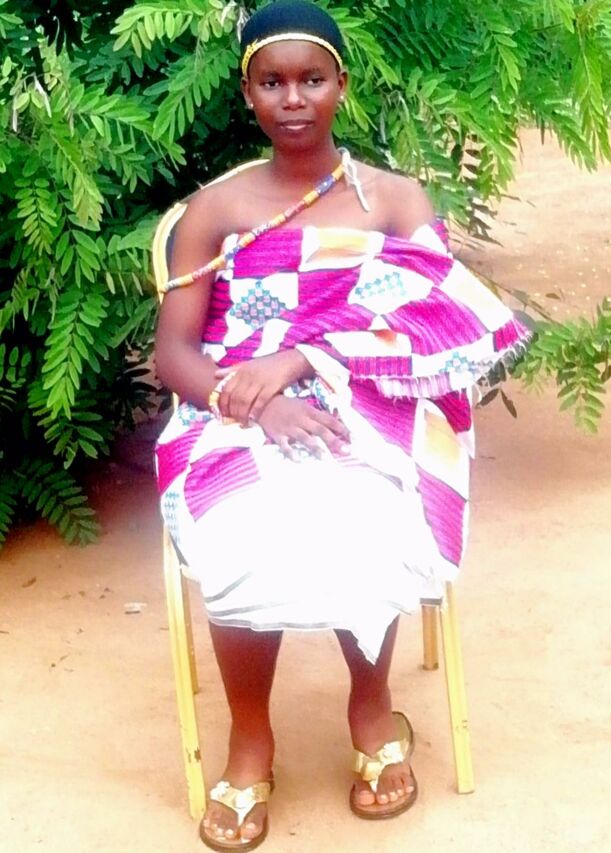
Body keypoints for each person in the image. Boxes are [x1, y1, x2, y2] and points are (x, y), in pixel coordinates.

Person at [154, 2, 529, 849]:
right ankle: (251, 737)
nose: (293, 99)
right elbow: (173, 354)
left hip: (373, 403)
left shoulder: (391, 200)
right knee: (241, 524)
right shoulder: (214, 211)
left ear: (341, 86)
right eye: (272, 82)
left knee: (369, 510)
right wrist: (259, 400)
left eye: (311, 79)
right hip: (232, 403)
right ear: (247, 93)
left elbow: (444, 320)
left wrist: (304, 360)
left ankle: (370, 705)